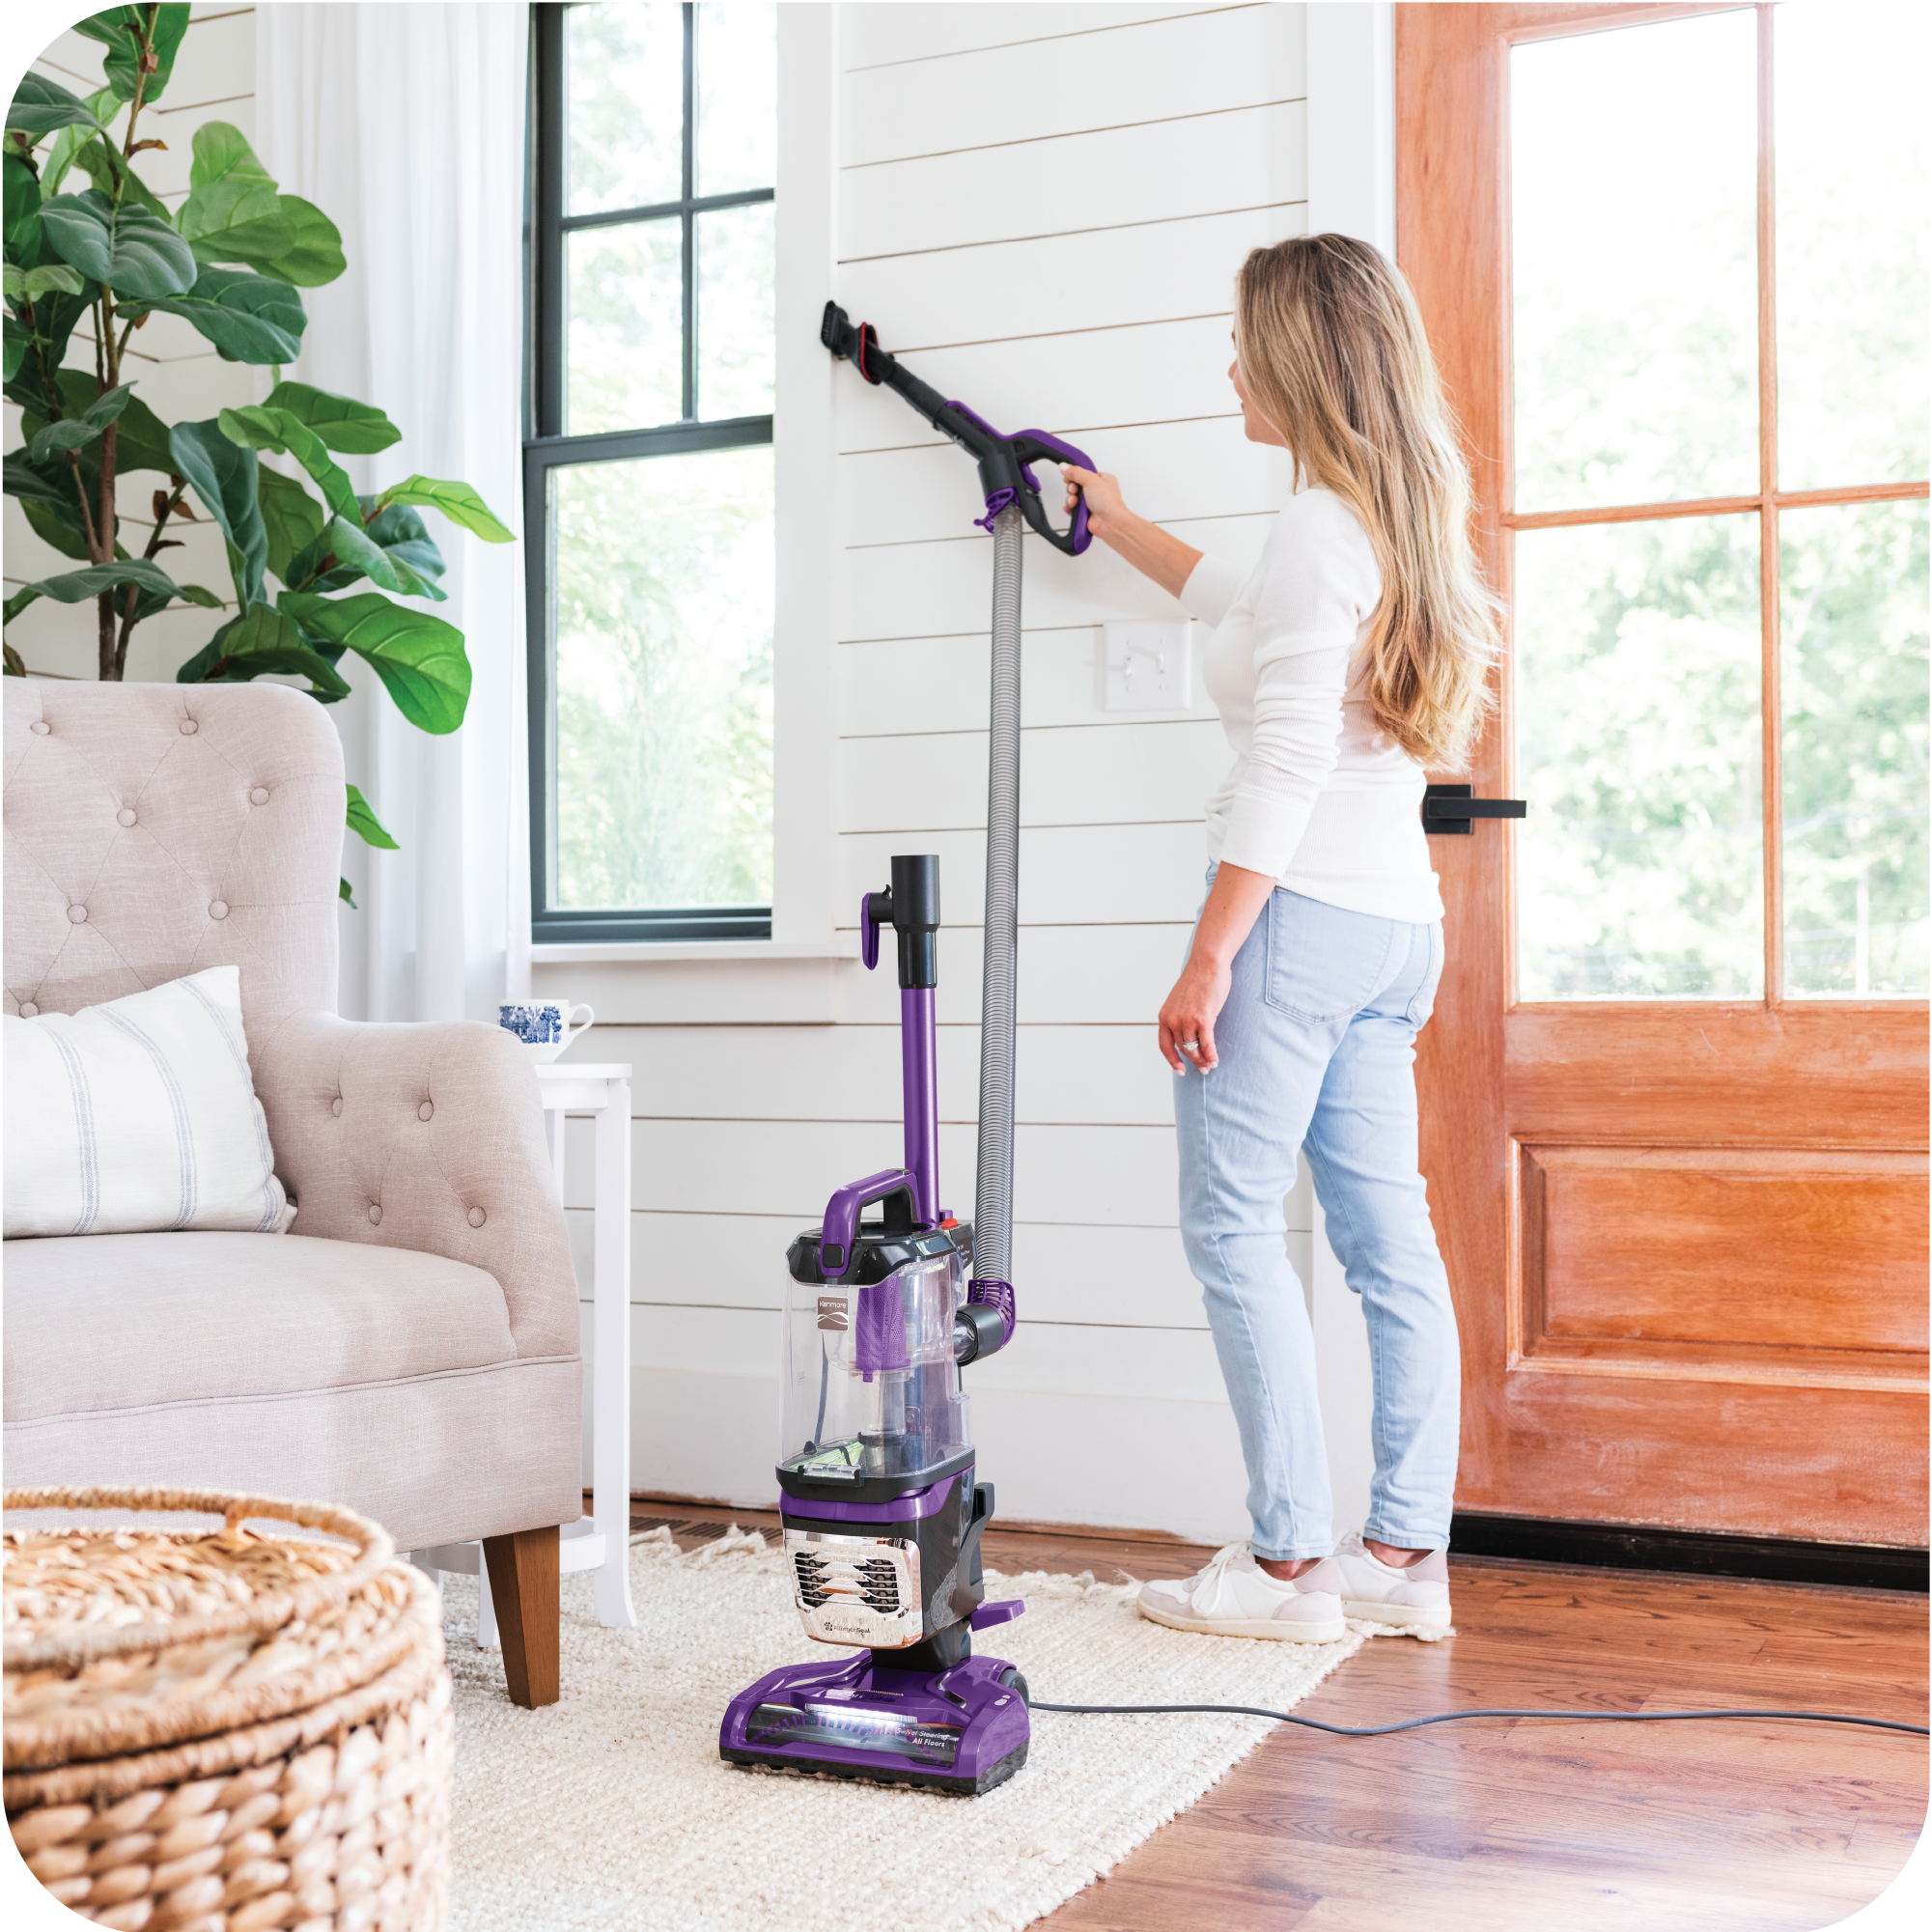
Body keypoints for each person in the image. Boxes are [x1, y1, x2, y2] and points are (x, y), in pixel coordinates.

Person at [1060, 234, 1500, 1643]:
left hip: (1297, 926)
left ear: (1302, 362)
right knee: (1387, 1245)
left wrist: (1209, 955)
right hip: (1392, 932)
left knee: (1234, 1230)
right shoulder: (1383, 520)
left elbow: (1289, 762)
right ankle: (1400, 1557)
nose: (1230, 365)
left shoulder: (1320, 530)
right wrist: (1115, 521)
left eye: (1245, 341)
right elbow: (1244, 619)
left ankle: (1285, 1569)